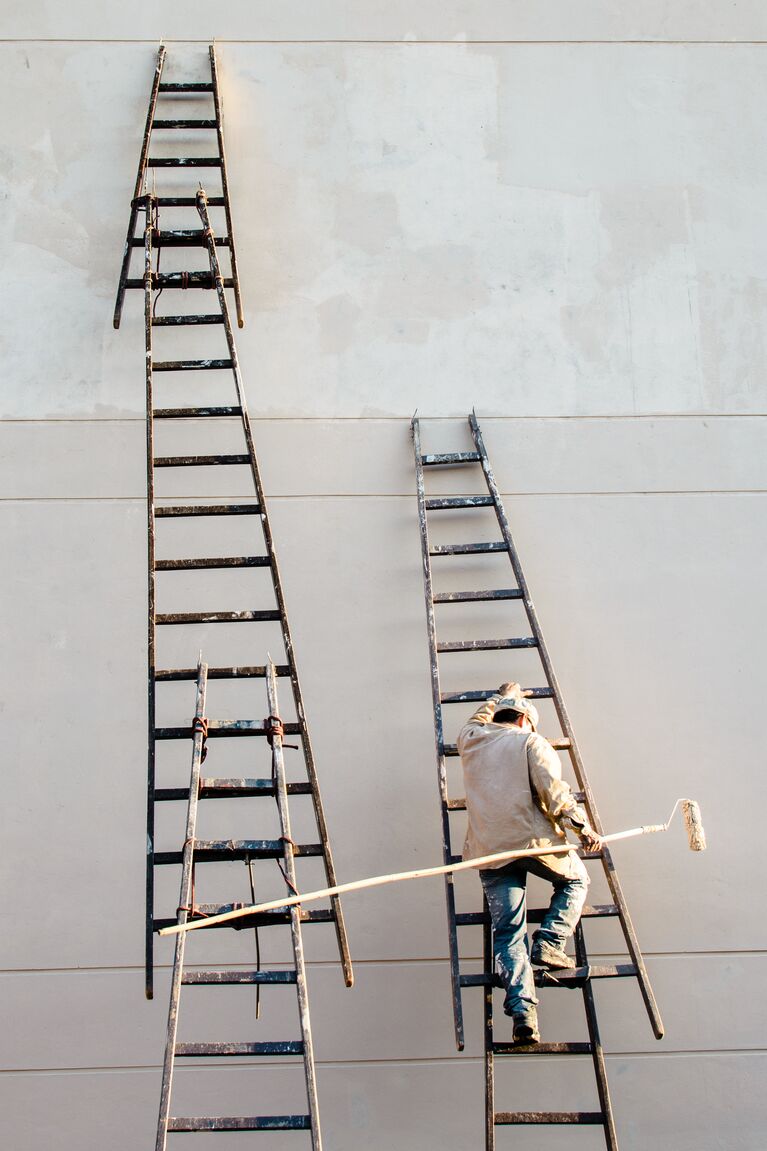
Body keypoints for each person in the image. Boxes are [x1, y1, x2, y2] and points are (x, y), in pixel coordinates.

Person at [457, 682, 601, 1045]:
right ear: (524, 720)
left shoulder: (471, 739)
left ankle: (523, 1011)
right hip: (532, 842)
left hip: (490, 850)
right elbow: (556, 795)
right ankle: (551, 942)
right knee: (576, 882)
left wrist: (497, 695)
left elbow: (478, 718)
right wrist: (582, 829)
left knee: (507, 933)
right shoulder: (531, 743)